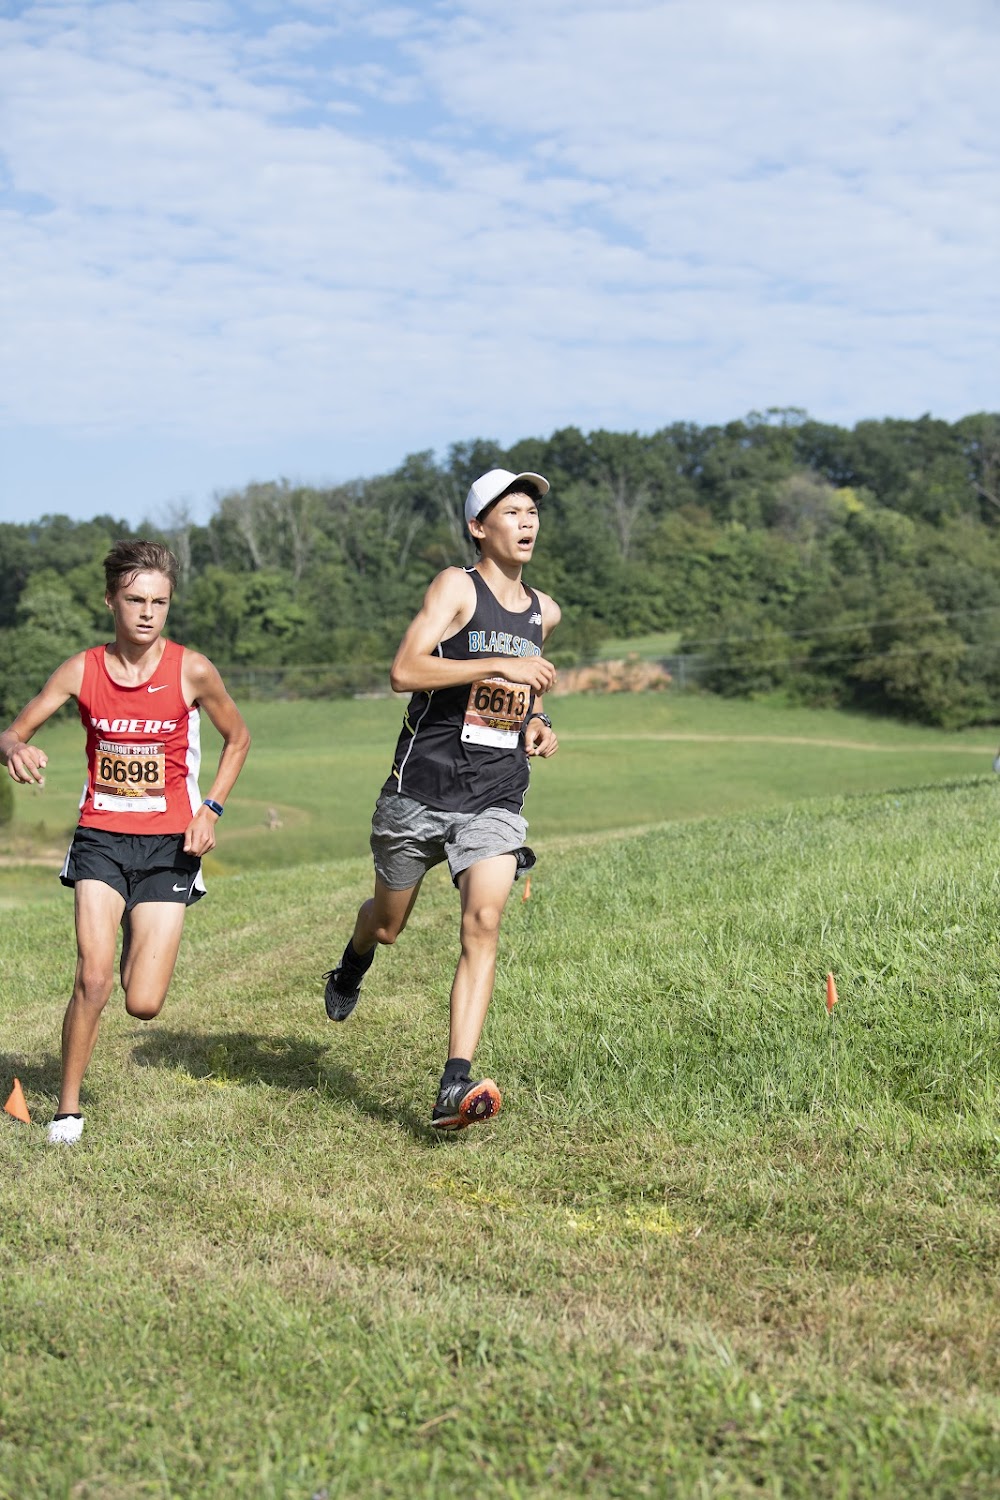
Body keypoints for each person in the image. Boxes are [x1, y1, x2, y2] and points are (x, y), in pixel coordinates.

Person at [323, 468, 561, 1131]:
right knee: (388, 924)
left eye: (532, 512)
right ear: (478, 527)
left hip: (496, 794)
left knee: (483, 921)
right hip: (420, 791)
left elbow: (522, 688)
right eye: (510, 512)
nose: (526, 522)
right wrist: (496, 665)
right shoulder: (456, 587)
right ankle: (353, 961)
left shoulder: (544, 611)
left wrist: (537, 720)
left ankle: (454, 1082)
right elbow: (405, 670)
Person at [0, 540, 251, 1145]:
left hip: (170, 847)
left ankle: (136, 930)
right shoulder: (81, 670)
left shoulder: (192, 670)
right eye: (136, 600)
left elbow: (238, 738)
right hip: (101, 840)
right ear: (111, 599)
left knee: (143, 1002)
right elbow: (11, 732)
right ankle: (67, 1111)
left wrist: (211, 808)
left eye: (159, 602)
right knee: (93, 979)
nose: (147, 613)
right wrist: (15, 750)